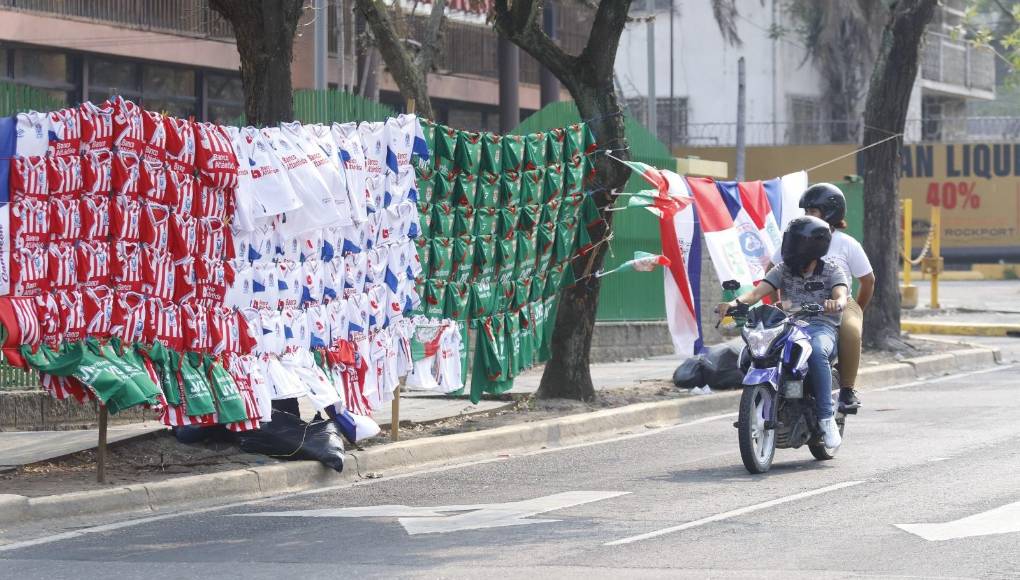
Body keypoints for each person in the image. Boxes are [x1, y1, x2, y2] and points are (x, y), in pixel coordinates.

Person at [718, 216, 847, 448]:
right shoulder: (783, 270)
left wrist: (835, 302)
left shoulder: (832, 271)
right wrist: (735, 303)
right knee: (754, 353)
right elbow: (756, 294)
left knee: (817, 352)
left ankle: (827, 418)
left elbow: (841, 295)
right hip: (788, 325)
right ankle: (772, 400)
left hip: (821, 326)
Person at [770, 183, 873, 412]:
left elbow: (868, 281)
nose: (807, 216)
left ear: (831, 213)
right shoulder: (795, 237)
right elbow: (771, 271)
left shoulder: (847, 244)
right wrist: (779, 303)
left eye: (813, 211)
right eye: (805, 211)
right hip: (797, 304)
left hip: (838, 302)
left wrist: (855, 309)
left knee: (851, 330)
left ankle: (847, 390)